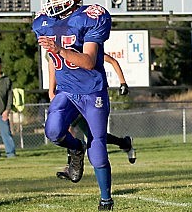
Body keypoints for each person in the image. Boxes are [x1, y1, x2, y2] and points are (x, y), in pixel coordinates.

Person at [33, 0, 115, 211]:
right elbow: (50, 57)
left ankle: (105, 199)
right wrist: (52, 87)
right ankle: (75, 148)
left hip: (92, 91)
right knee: (53, 131)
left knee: (98, 146)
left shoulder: (91, 17)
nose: (52, 1)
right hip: (67, 90)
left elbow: (89, 61)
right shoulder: (44, 22)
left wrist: (60, 50)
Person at [50, 53, 136, 181]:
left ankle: (72, 165)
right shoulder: (60, 48)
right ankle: (124, 143)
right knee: (89, 134)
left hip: (87, 99)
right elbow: (53, 64)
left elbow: (112, 61)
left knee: (82, 132)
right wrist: (52, 91)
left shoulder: (87, 52)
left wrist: (123, 82)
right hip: (71, 98)